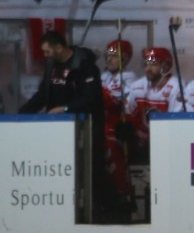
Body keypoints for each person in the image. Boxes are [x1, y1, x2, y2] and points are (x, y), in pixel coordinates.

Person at [19, 30, 125, 222]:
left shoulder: (85, 66)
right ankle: (64, 212)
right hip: (58, 131)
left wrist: (66, 108)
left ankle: (113, 212)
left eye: (47, 51)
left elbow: (92, 99)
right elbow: (43, 95)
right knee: (60, 170)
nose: (45, 56)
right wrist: (20, 115)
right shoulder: (51, 65)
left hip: (87, 128)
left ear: (59, 48)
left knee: (93, 170)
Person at [125, 47, 190, 160]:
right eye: (146, 64)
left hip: (167, 143)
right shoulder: (137, 86)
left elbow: (176, 123)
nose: (148, 69)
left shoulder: (176, 87)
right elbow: (130, 115)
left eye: (153, 64)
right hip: (141, 143)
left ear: (165, 66)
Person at [100, 39, 137, 201]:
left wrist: (94, 90)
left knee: (110, 147)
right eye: (108, 55)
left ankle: (121, 192)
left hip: (117, 127)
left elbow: (110, 99)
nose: (109, 59)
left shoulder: (128, 77)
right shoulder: (103, 76)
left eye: (114, 56)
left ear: (125, 58)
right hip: (100, 124)